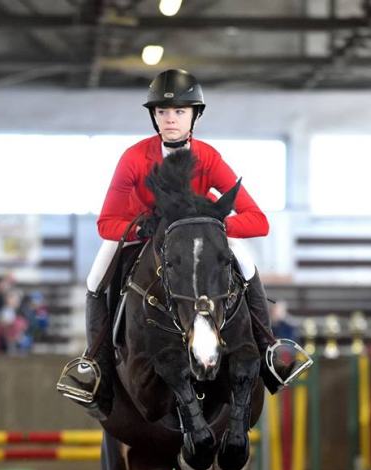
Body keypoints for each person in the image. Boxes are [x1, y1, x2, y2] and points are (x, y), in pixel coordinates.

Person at [81, 68, 304, 420]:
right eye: (163, 112)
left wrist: (215, 226)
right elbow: (106, 223)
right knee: (95, 281)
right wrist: (144, 231)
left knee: (247, 266)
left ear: (194, 115)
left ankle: (270, 350)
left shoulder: (208, 157)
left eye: (179, 112)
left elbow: (257, 220)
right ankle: (96, 368)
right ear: (154, 116)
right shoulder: (134, 158)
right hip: (145, 239)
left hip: (201, 246)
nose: (170, 119)